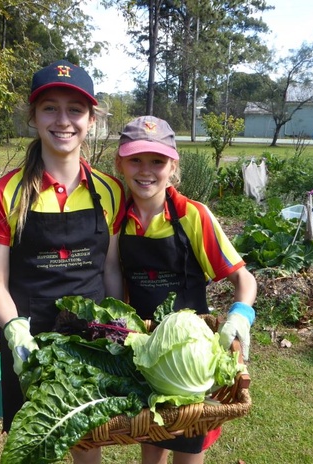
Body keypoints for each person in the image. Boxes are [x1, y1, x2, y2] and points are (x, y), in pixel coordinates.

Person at [0, 59, 125, 464]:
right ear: (33, 116)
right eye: (50, 108)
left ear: (91, 120)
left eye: (75, 109)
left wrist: (120, 325)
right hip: (28, 341)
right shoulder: (5, 192)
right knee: (33, 445)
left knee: (87, 440)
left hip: (91, 340)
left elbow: (110, 269)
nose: (63, 120)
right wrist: (14, 332)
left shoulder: (111, 191)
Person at [115, 116, 257, 464]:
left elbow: (244, 279)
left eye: (157, 161)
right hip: (146, 353)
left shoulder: (192, 215)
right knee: (151, 447)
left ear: (173, 166)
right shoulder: (117, 218)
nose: (145, 171)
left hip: (191, 358)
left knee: (189, 449)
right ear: (120, 164)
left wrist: (240, 315)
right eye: (135, 160)